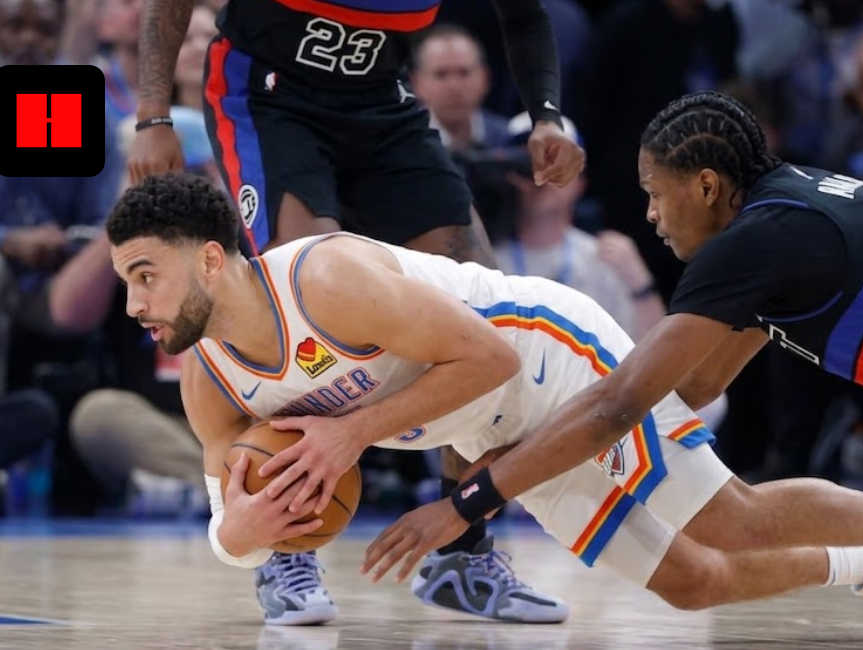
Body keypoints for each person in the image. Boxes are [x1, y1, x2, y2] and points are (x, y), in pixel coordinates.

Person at [108, 173, 863, 646]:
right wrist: (251, 524)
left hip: (549, 352)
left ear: (214, 260)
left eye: (145, 276)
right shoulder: (209, 378)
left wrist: (353, 429)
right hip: (484, 423)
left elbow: (488, 354)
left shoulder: (327, 278)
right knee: (690, 582)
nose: (135, 303)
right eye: (125, 283)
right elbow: (226, 529)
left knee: (726, 516)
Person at [359, 89, 863, 645]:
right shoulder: (780, 222)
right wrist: (528, 453)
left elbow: (619, 406)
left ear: (707, 185)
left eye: (656, 196)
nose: (651, 217)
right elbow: (691, 389)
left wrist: (467, 501)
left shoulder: (751, 246)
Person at [126, 0, 583, 624]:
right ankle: (285, 546)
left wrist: (547, 115)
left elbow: (524, 15)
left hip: (382, 105)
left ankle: (463, 552)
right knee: (297, 298)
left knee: (483, 312)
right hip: (266, 95)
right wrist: (152, 113)